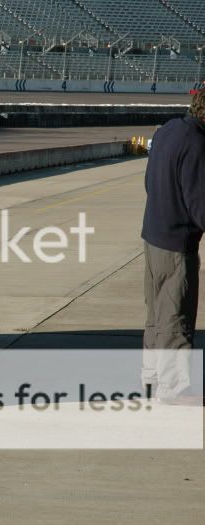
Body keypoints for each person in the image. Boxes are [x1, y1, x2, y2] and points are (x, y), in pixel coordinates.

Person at [141, 88, 205, 406]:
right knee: (175, 316)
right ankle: (175, 388)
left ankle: (152, 378)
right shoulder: (197, 143)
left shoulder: (168, 130)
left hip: (153, 235)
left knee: (156, 314)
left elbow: (148, 181)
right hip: (178, 245)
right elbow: (200, 205)